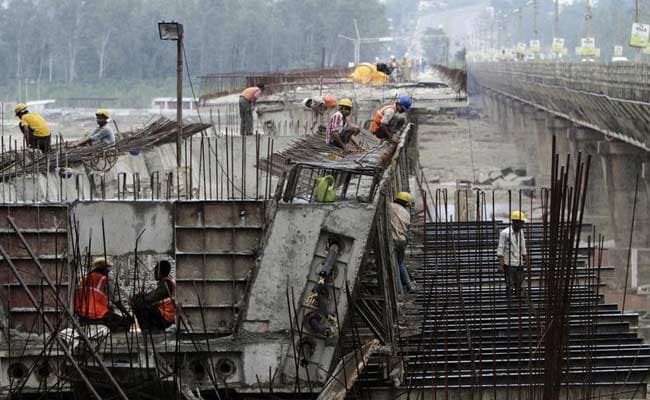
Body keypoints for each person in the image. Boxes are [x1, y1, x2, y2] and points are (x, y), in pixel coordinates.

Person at [74, 258, 132, 331]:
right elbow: (116, 300)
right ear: (103, 268)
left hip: (81, 313)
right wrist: (128, 314)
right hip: (97, 313)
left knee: (110, 311)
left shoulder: (84, 278)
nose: (109, 271)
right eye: (108, 268)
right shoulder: (104, 279)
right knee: (125, 323)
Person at [131, 260, 176, 332]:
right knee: (140, 301)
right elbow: (154, 295)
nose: (154, 273)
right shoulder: (167, 282)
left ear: (159, 272)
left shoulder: (165, 284)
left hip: (165, 317)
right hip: (165, 315)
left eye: (155, 271)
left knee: (138, 303)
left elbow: (151, 298)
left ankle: (149, 329)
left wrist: (140, 298)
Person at [496, 210, 528, 301]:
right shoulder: (504, 233)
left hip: (519, 263)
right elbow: (500, 249)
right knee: (509, 284)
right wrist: (501, 265)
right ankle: (509, 302)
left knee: (520, 284)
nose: (522, 225)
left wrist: (526, 258)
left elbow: (523, 246)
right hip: (509, 264)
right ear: (515, 222)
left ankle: (519, 301)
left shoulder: (521, 232)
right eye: (521, 222)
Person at [390, 191, 417, 294]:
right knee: (400, 263)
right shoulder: (406, 213)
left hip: (393, 240)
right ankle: (409, 285)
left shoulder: (390, 207)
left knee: (395, 266)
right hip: (402, 240)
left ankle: (399, 290)